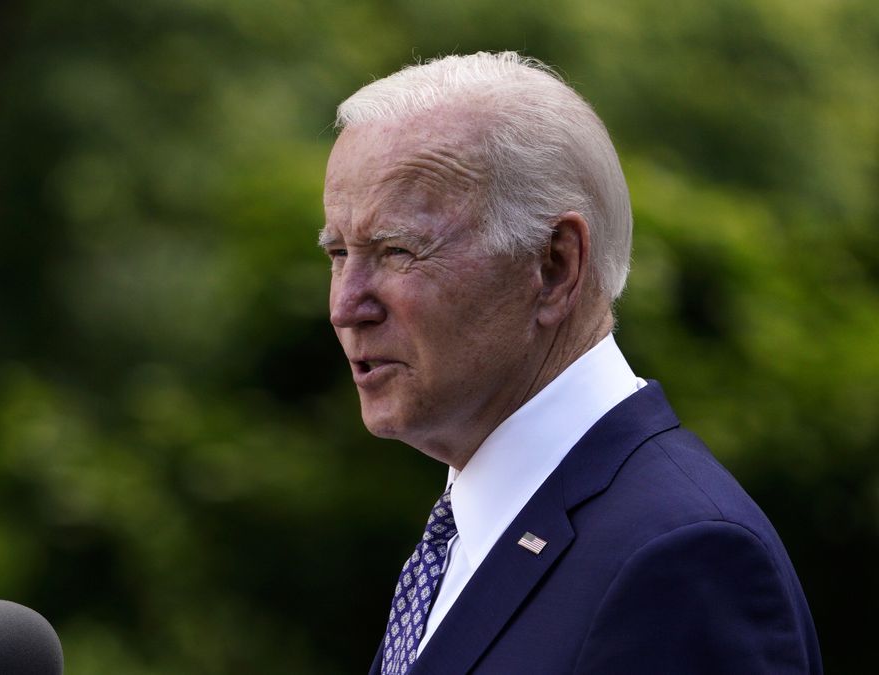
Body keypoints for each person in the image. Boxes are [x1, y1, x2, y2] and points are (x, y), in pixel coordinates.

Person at [319, 52, 821, 674]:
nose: (345, 306)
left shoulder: (683, 558)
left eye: (397, 250)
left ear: (555, 266)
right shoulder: (474, 531)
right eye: (339, 253)